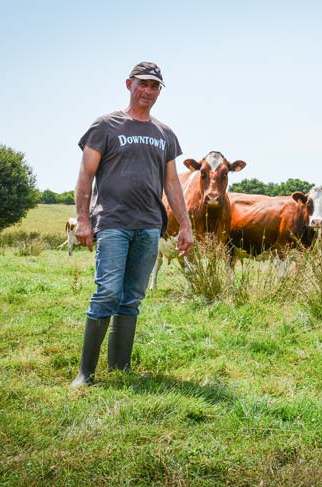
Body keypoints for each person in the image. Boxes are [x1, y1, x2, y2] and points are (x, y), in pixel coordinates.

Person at [71, 61, 194, 388]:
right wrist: (83, 219)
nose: (149, 91)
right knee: (107, 292)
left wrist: (186, 225)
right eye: (143, 84)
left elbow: (172, 183)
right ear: (129, 84)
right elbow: (86, 175)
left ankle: (120, 367)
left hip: (149, 224)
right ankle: (85, 373)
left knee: (132, 297)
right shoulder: (106, 126)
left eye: (155, 86)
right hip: (112, 222)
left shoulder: (164, 133)